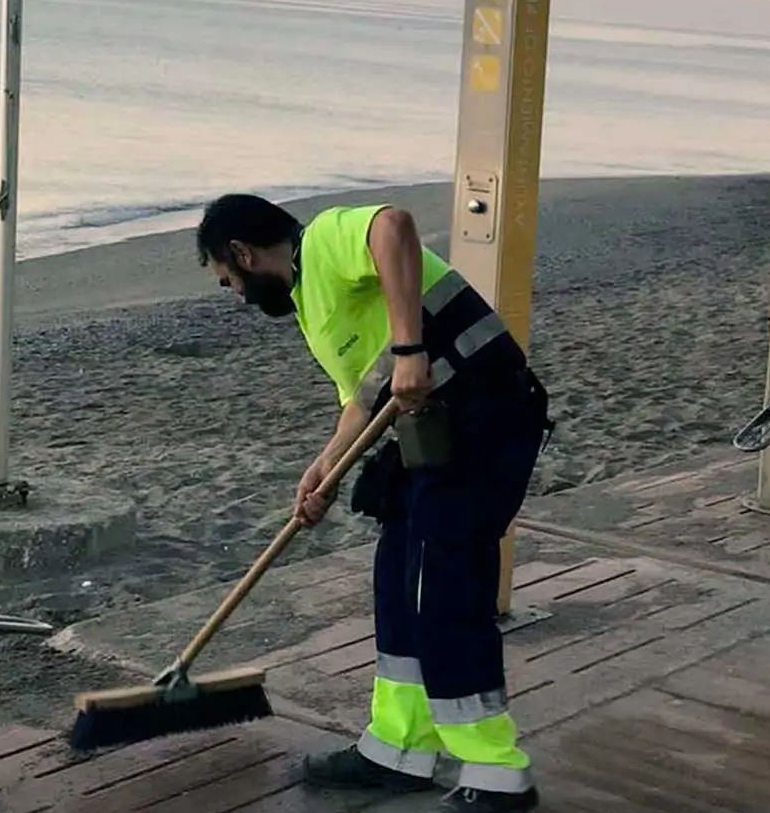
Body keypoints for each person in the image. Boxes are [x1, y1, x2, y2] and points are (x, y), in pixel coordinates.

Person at [196, 194, 552, 813]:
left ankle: (498, 772)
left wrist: (412, 349)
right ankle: (398, 748)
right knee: (396, 580)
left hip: (487, 417)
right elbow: (361, 402)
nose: (237, 295)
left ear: (243, 254)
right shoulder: (313, 302)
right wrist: (325, 469)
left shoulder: (325, 241)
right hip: (434, 432)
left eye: (229, 281)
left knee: (441, 586)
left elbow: (394, 226)